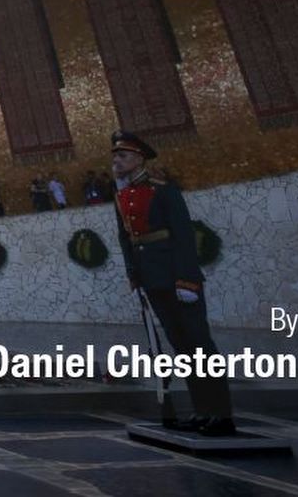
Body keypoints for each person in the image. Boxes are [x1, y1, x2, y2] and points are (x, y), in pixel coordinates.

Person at [111, 129, 234, 437]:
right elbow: (127, 239)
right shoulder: (122, 196)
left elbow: (182, 235)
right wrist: (134, 275)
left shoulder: (163, 190)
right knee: (181, 347)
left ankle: (221, 414)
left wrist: (187, 280)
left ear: (139, 158)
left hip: (176, 277)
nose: (116, 161)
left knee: (200, 345)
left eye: (122, 156)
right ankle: (202, 410)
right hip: (152, 280)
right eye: (115, 157)